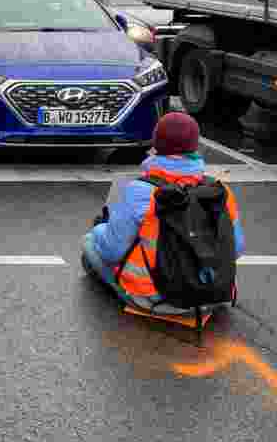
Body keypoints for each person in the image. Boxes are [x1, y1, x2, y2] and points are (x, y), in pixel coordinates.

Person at [82, 112, 246, 313]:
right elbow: (236, 248)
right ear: (195, 146)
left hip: (158, 299)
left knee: (91, 242)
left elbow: (112, 250)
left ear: (156, 146)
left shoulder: (141, 191)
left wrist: (100, 228)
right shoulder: (219, 191)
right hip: (214, 295)